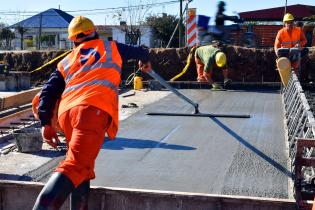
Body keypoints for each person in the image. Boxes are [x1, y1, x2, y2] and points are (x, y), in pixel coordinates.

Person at [32, 16, 151, 210]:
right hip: (91, 113)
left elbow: (47, 92)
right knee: (75, 166)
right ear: (94, 31)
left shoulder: (68, 60)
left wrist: (45, 124)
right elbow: (142, 51)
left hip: (68, 115)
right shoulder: (112, 47)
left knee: (83, 169)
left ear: (73, 40)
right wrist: (144, 62)